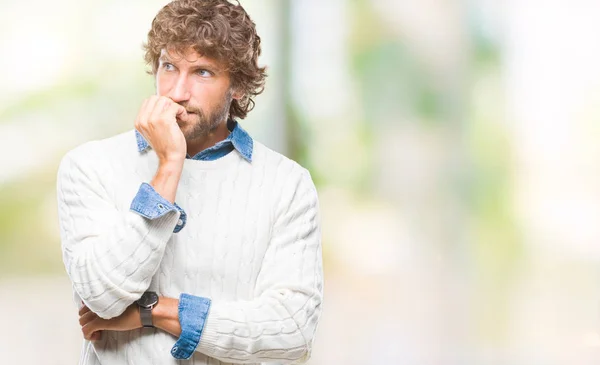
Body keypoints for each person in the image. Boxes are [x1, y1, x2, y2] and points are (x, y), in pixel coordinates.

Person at [55, 0, 323, 364]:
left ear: (239, 86)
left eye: (203, 73)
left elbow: (290, 330)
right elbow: (102, 297)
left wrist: (154, 311)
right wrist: (169, 166)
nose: (177, 92)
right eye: (168, 66)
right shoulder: (89, 166)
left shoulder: (287, 184)